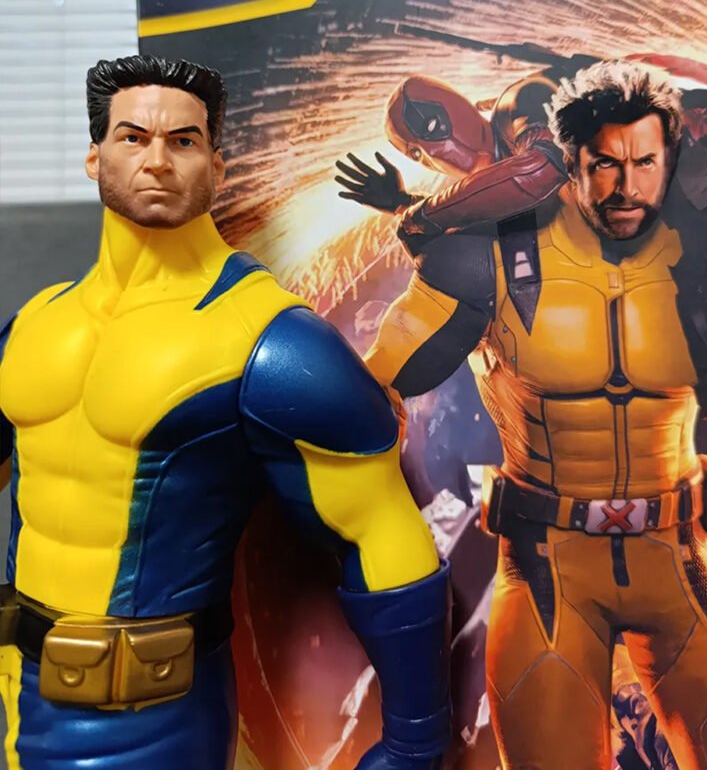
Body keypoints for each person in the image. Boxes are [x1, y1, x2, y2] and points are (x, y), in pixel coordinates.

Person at [0, 55, 451, 770]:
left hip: (157, 718)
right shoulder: (32, 326)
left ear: (216, 167)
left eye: (182, 141)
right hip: (21, 698)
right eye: (132, 137)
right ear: (94, 157)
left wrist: (414, 741)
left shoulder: (272, 344)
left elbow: (379, 531)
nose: (156, 160)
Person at [361, 60, 707, 769]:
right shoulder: (479, 258)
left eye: (643, 161)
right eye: (604, 160)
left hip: (681, 558)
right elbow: (367, 394)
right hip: (549, 569)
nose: (624, 183)